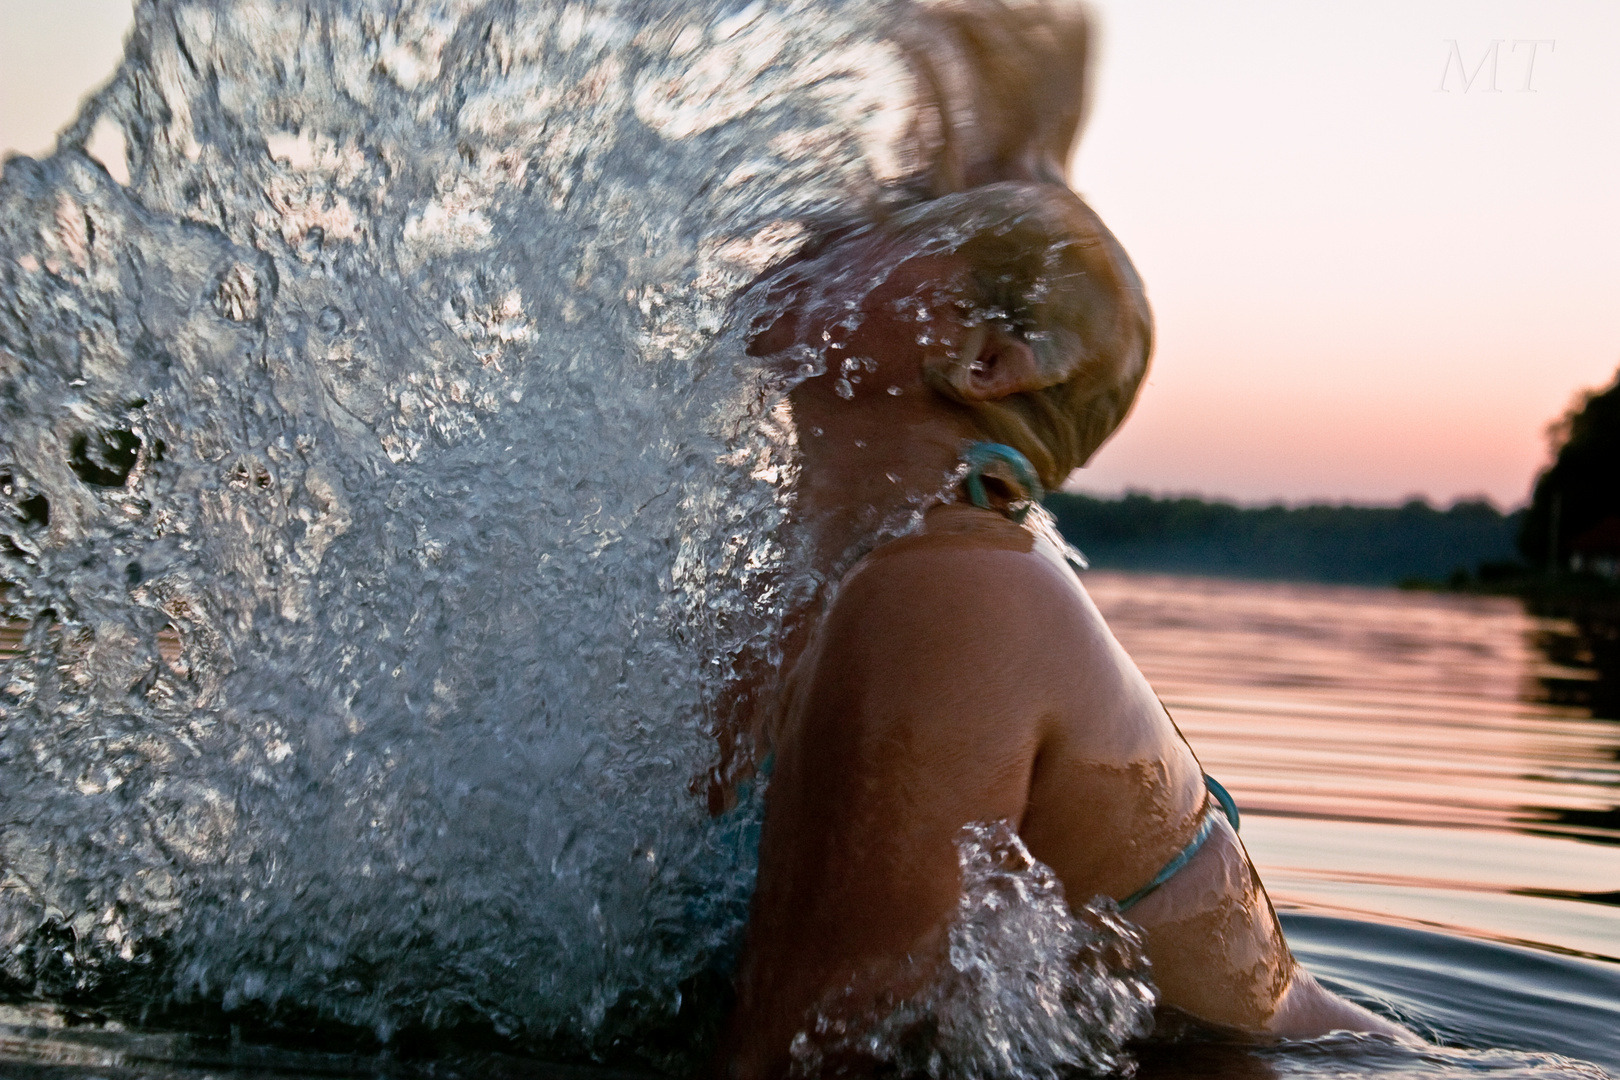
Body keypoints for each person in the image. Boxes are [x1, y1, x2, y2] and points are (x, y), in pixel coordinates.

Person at [712, 3, 1414, 1075]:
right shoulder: (783, 601)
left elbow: (805, 1057)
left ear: (987, 360)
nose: (828, 224)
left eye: (903, 226)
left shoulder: (951, 594)